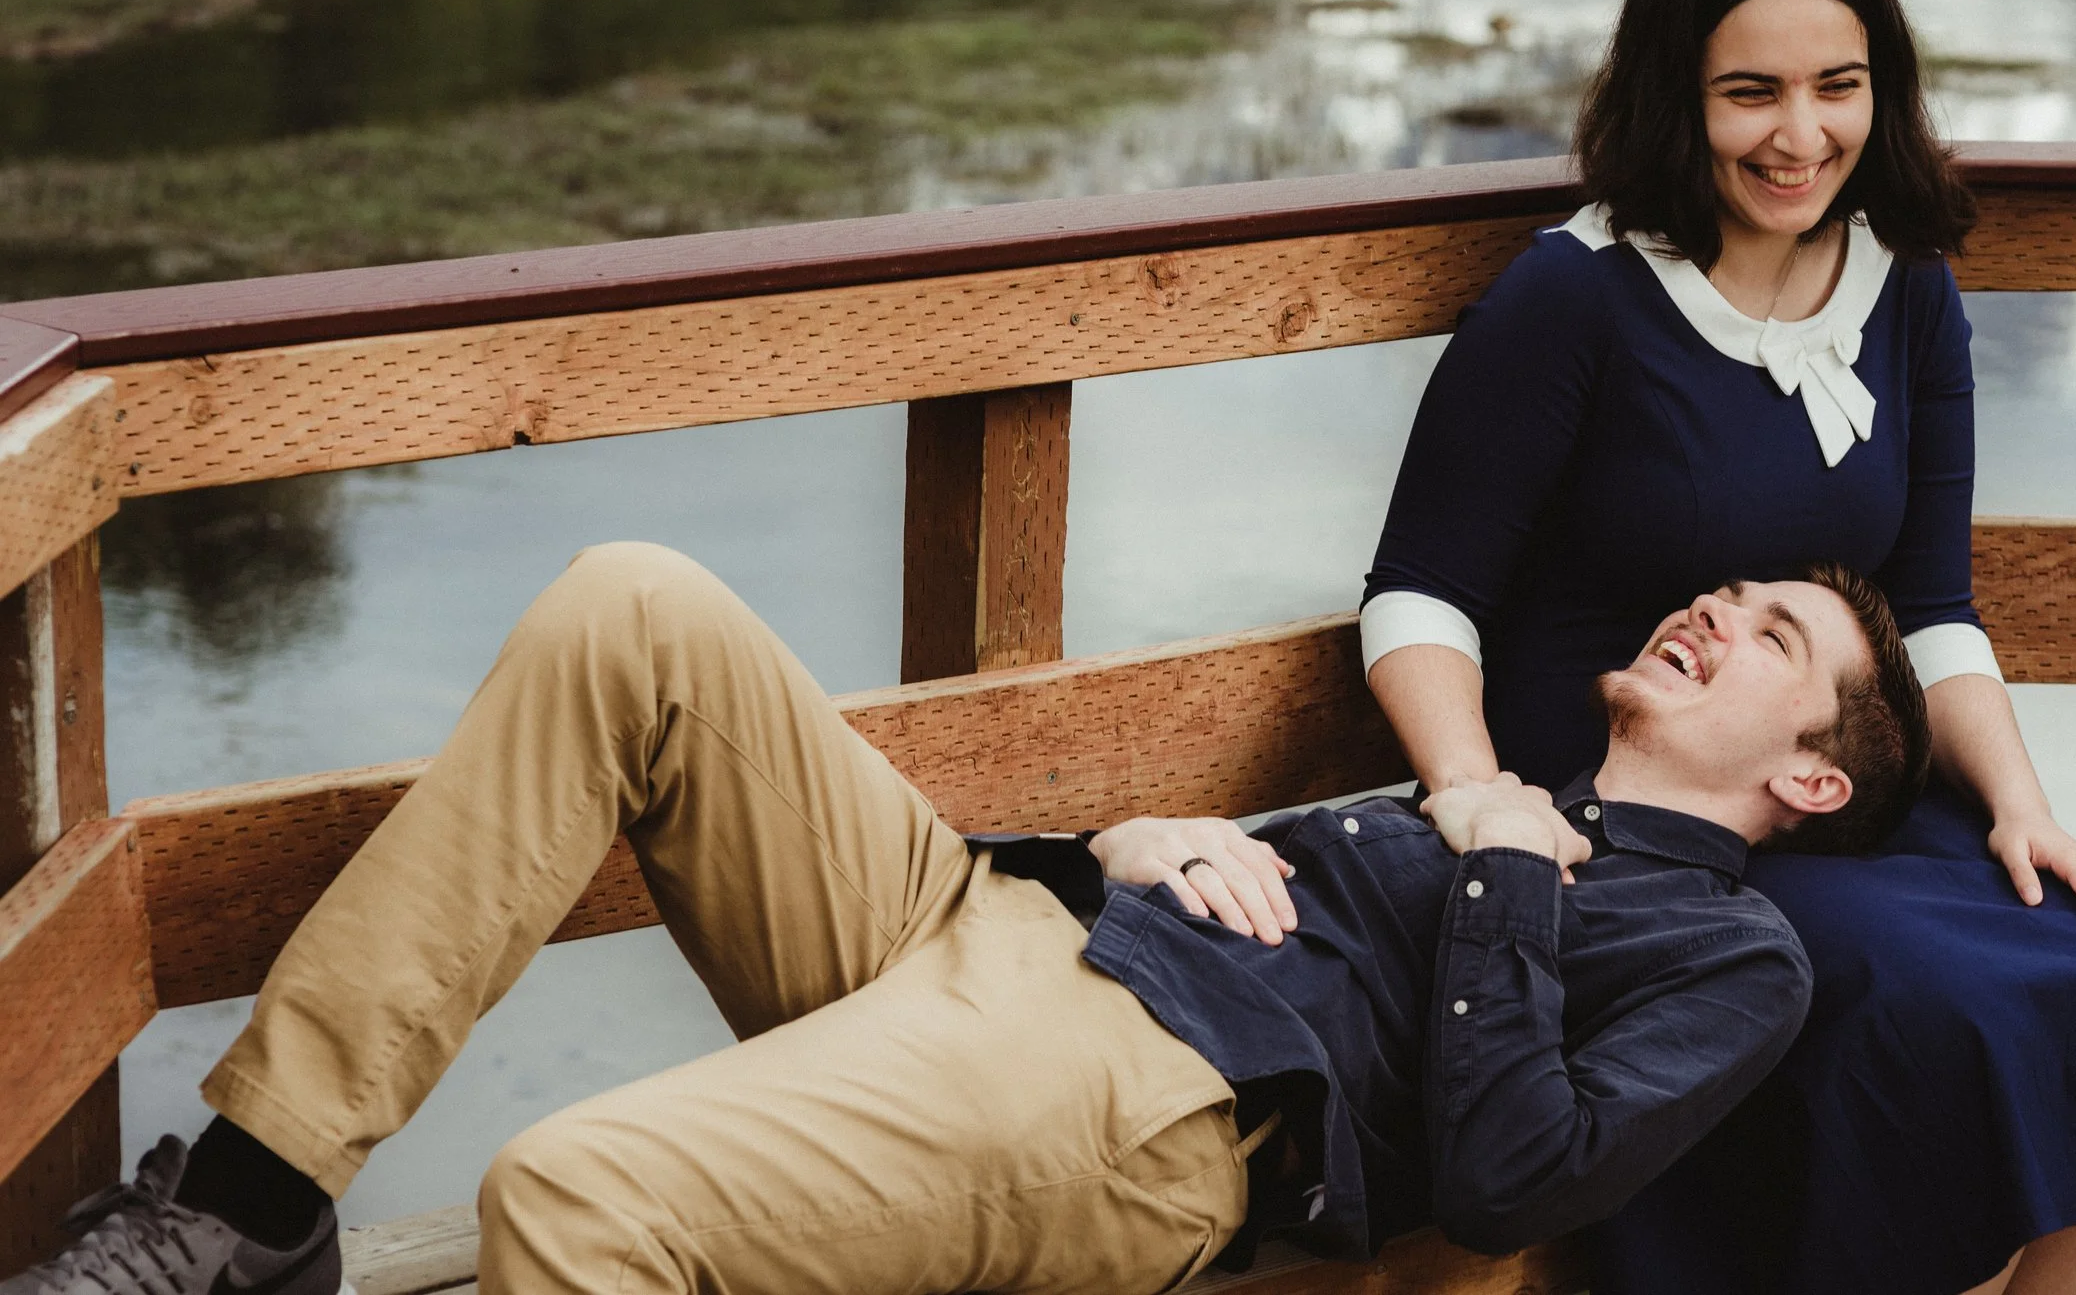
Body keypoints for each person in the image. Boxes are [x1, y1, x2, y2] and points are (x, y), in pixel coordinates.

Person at [6, 540, 1928, 1295]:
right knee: (635, 610)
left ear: (1815, 780)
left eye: (1775, 636)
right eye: (1729, 591)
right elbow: (1256, 894)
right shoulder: (1504, 792)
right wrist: (1124, 838)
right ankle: (254, 1206)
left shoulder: (1729, 956)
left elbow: (1515, 1179)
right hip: (1005, 926)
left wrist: (1497, 860)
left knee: (574, 1197)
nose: (1716, 610)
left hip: (1143, 1090)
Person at [1360, 0, 2076, 1295]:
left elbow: (1933, 606)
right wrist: (1485, 805)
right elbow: (1421, 594)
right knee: (1941, 1011)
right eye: (1750, 93)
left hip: (1842, 800)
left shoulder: (1907, 286)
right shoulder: (1576, 297)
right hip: (1636, 827)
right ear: (1677, 96)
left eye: (1838, 86)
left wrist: (2021, 810)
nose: (1800, 135)